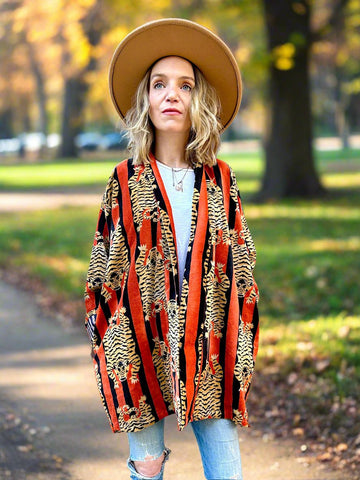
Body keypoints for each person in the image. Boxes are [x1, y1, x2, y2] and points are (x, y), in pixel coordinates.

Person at [84, 18, 259, 480]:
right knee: (147, 463)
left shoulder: (221, 179)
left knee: (226, 461)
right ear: (146, 100)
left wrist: (240, 342)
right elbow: (103, 272)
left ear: (197, 100)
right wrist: (111, 342)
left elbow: (241, 267)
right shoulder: (125, 180)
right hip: (141, 345)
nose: (171, 95)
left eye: (184, 85)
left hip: (210, 345)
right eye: (159, 84)